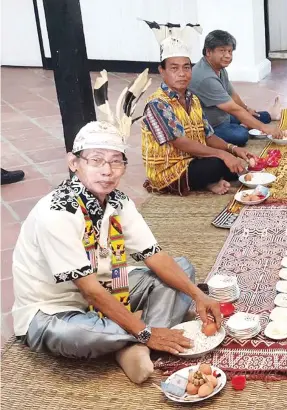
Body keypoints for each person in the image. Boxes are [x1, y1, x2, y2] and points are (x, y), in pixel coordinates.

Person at [12, 70, 222, 385]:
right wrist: (146, 331)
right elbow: (90, 292)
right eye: (96, 160)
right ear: (74, 163)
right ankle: (141, 338)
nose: (107, 171)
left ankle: (128, 342)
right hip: (55, 310)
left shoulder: (118, 202)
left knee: (181, 269)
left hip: (109, 285)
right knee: (77, 334)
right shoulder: (55, 213)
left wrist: (197, 296)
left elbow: (155, 256)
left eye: (116, 162)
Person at [142, 22, 258, 195]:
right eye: (174, 68)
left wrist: (232, 149)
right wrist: (223, 155)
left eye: (186, 67)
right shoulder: (157, 104)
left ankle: (211, 181)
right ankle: (209, 181)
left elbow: (208, 135)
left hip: (194, 160)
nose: (182, 73)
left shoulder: (192, 98)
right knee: (218, 164)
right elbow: (180, 142)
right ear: (162, 71)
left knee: (235, 164)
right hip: (170, 171)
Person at [189, 30, 283, 146]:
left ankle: (270, 115)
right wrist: (265, 128)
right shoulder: (205, 77)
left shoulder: (219, 68)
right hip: (209, 126)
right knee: (240, 135)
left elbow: (232, 94)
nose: (228, 55)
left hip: (222, 116)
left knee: (252, 115)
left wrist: (246, 108)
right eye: (222, 51)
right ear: (208, 51)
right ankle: (243, 126)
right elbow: (233, 109)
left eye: (230, 51)